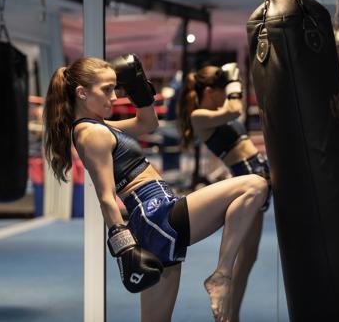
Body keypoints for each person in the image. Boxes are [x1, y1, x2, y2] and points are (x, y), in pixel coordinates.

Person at [43, 54, 268, 322]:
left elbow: (148, 123)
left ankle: (221, 276)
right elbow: (105, 197)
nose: (114, 98)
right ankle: (222, 275)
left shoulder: (96, 128)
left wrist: (139, 89)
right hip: (157, 213)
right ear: (81, 93)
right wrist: (124, 248)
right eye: (106, 90)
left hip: (153, 224)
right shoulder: (92, 134)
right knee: (254, 186)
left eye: (116, 88)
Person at [177, 63, 272, 322]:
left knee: (249, 257)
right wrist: (234, 82)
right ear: (210, 91)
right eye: (222, 90)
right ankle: (228, 317)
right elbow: (235, 109)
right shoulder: (199, 117)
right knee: (239, 259)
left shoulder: (217, 111)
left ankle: (233, 316)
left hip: (261, 175)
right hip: (247, 183)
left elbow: (231, 111)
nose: (225, 96)